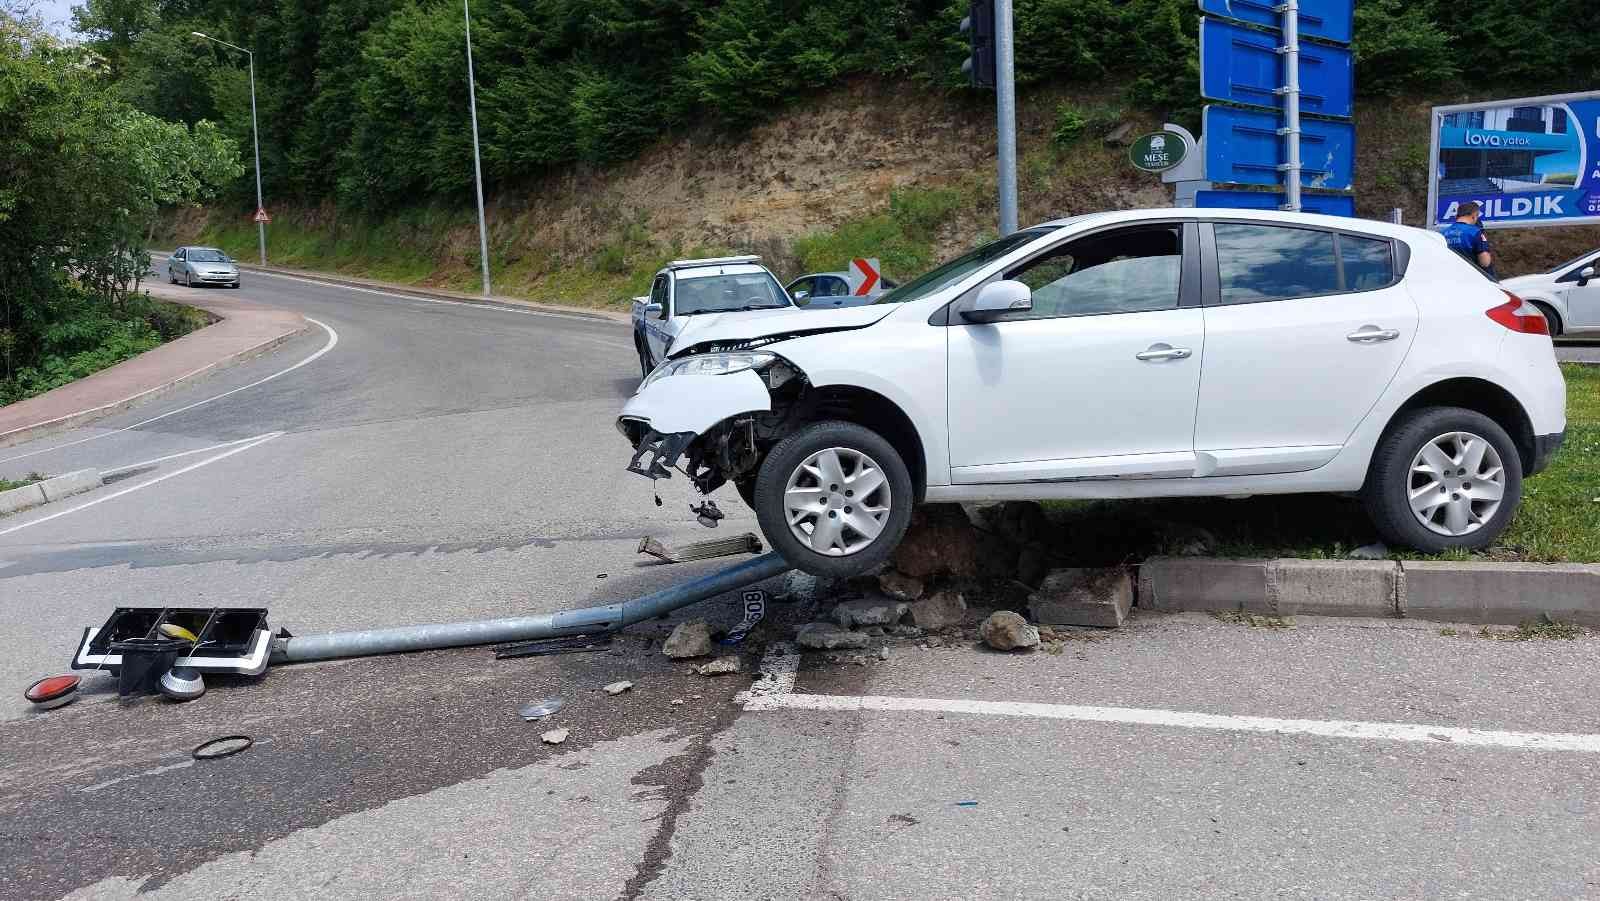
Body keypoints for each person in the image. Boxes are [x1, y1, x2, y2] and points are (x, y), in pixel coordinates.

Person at [1440, 201, 1496, 277]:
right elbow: (1485, 262)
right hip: (1471, 278)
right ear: (1474, 216)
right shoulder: (1475, 232)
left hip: (1449, 277)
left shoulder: (1442, 233)